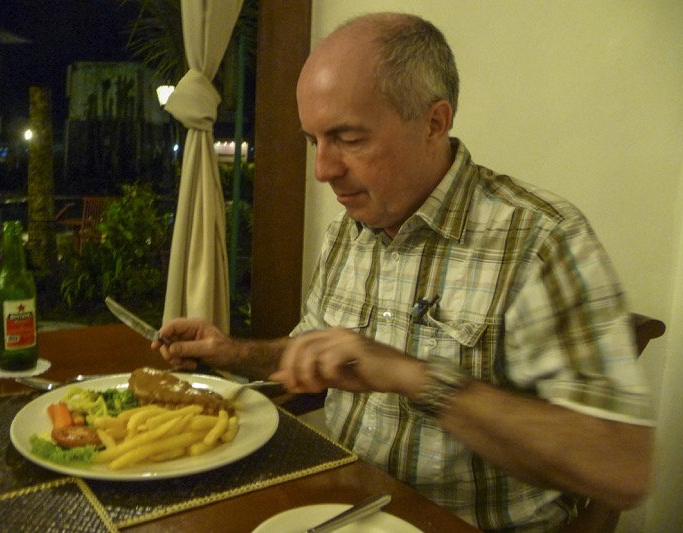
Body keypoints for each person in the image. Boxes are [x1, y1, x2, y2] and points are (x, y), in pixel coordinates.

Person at [153, 12, 654, 531]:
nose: (323, 170)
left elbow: (620, 465)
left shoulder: (537, 239)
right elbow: (310, 353)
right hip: (348, 510)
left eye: (349, 138)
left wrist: (413, 377)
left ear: (434, 122)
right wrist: (233, 353)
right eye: (314, 141)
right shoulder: (351, 228)